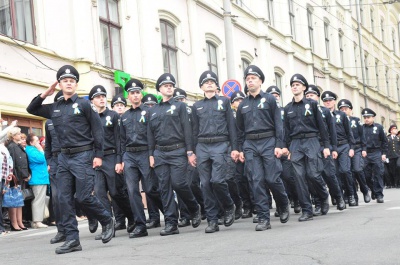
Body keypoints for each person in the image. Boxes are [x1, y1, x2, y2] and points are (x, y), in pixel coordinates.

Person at [26, 65, 114, 254]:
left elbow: (98, 130)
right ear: (59, 84)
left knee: (83, 197)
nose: (68, 83)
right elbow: (31, 108)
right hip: (64, 157)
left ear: (75, 84)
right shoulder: (55, 106)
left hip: (83, 155)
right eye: (64, 80)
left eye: (72, 81)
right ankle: (73, 240)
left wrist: (99, 155)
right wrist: (46, 93)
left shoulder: (84, 104)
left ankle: (106, 219)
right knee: (64, 199)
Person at [236, 65, 289, 231]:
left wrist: (279, 145)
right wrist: (240, 149)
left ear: (260, 81)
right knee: (256, 181)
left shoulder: (269, 100)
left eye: (253, 78)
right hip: (250, 144)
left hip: (268, 142)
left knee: (272, 179)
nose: (250, 81)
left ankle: (282, 203)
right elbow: (239, 130)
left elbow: (279, 124)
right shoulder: (242, 105)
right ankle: (264, 218)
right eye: (247, 78)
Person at [147, 73, 201, 236]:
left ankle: (194, 207)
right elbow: (150, 134)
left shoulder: (180, 106)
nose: (169, 87)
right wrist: (151, 154)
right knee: (165, 188)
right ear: (159, 89)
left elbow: (187, 129)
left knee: (179, 184)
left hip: (178, 150)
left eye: (171, 85)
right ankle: (171, 223)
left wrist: (190, 151)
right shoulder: (153, 110)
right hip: (160, 152)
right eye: (165, 85)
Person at [191, 71, 237, 233]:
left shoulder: (224, 102)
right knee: (205, 184)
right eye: (206, 82)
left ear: (217, 86)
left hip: (221, 144)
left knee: (217, 180)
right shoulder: (197, 106)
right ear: (201, 86)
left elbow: (231, 126)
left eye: (212, 82)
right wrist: (192, 151)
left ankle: (228, 205)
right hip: (202, 146)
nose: (209, 84)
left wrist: (235, 148)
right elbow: (194, 130)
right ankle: (212, 220)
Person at [89, 85, 135, 240]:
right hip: (96, 159)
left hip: (112, 157)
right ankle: (107, 226)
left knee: (116, 193)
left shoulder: (113, 116)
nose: (101, 99)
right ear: (92, 100)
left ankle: (132, 217)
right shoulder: (89, 117)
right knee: (100, 193)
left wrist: (119, 160)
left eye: (103, 96)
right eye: (98, 97)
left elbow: (119, 140)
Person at [282, 74, 330, 222]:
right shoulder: (288, 108)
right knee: (299, 178)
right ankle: (307, 210)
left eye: (298, 84)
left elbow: (322, 127)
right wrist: (286, 147)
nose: (295, 87)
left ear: (303, 87)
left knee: (313, 174)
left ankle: (323, 196)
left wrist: (326, 146)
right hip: (296, 144)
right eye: (292, 85)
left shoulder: (312, 104)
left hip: (312, 140)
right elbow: (286, 130)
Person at [304, 86, 346, 212]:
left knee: (329, 174)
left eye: (312, 95)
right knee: (312, 176)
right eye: (307, 95)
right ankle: (319, 202)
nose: (309, 97)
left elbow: (332, 132)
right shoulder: (302, 109)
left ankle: (338, 197)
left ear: (317, 97)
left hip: (324, 146)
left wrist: (333, 148)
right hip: (310, 146)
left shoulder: (325, 111)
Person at [266, 85, 301, 215]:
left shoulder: (285, 110)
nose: (274, 97)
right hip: (272, 148)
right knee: (274, 178)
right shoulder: (266, 111)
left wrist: (289, 147)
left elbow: (289, 129)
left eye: (276, 95)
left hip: (285, 148)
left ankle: (296, 199)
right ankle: (281, 204)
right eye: (272, 95)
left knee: (288, 176)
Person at [338, 99, 371, 204]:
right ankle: (353, 197)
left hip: (357, 148)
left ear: (350, 110)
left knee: (357, 170)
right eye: (341, 109)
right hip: (345, 148)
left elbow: (362, 136)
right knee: (348, 173)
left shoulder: (356, 121)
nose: (344, 111)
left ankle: (365, 190)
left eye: (346, 109)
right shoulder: (338, 121)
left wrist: (364, 149)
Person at [45, 91, 67, 244]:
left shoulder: (75, 117)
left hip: (72, 157)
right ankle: (62, 230)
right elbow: (48, 144)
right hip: (55, 160)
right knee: (57, 198)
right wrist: (48, 162)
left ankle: (93, 218)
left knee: (79, 195)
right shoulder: (49, 122)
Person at [230, 91, 255, 219]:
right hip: (235, 150)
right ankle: (246, 206)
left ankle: (255, 204)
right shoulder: (230, 115)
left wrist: (244, 150)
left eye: (241, 100)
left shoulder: (247, 112)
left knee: (251, 177)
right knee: (239, 179)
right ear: (232, 103)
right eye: (236, 101)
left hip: (249, 148)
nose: (239, 103)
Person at [141, 94, 163, 229]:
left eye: (152, 105)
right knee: (149, 188)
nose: (149, 108)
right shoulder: (139, 116)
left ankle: (171, 211)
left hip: (158, 153)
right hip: (144, 154)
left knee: (158, 187)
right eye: (147, 105)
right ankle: (154, 216)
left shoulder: (158, 117)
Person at [362, 108, 388, 203]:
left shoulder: (379, 127)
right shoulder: (362, 128)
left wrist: (384, 153)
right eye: (364, 117)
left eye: (368, 117)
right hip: (365, 153)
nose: (366, 119)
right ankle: (373, 189)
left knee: (378, 174)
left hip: (377, 152)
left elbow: (384, 141)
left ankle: (379, 195)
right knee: (366, 175)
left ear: (373, 117)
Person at [6, 126, 29, 230]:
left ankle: (20, 222)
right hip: (16, 177)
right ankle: (14, 222)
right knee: (14, 201)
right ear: (14, 136)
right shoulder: (12, 146)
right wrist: (15, 177)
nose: (21, 135)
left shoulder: (18, 146)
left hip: (21, 176)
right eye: (19, 133)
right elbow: (13, 163)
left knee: (19, 201)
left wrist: (27, 174)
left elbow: (24, 161)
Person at [25, 133, 50, 229]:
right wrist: (40, 150)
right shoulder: (30, 150)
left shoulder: (32, 149)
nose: (38, 142)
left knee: (41, 200)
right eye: (36, 140)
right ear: (31, 142)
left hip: (41, 177)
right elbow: (41, 159)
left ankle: (38, 220)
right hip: (37, 178)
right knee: (38, 200)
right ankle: (37, 221)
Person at [0, 120, 17, 235]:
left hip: (2, 178)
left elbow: (9, 161)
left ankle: (1, 228)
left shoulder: (3, 148)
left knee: (1, 204)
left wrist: (9, 175)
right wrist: (10, 126)